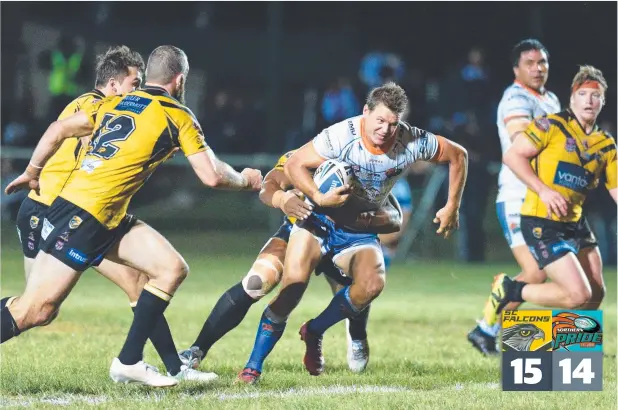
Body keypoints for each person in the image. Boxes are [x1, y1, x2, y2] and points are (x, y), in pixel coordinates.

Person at [2, 45, 263, 387]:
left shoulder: (113, 102)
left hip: (104, 214)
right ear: (180, 79)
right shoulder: (177, 114)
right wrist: (247, 180)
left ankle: (131, 361)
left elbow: (58, 128)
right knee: (35, 311)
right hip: (84, 215)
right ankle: (139, 362)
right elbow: (212, 175)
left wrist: (32, 171)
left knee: (170, 270)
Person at [236, 82, 468, 384]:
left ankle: (315, 330)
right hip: (319, 220)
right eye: (379, 121)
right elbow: (295, 164)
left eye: (393, 124)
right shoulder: (341, 135)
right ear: (365, 113)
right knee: (291, 290)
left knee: (372, 284)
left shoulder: (412, 140)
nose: (385, 129)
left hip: (359, 227)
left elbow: (458, 155)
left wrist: (452, 206)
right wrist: (318, 198)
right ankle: (253, 366)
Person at [178, 148, 403, 374]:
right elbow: (269, 185)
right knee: (256, 282)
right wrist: (282, 198)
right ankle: (197, 350)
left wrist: (370, 219)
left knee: (358, 291)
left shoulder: (360, 161)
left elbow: (394, 214)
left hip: (345, 237)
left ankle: (356, 337)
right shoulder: (304, 156)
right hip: (303, 228)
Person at [485, 65, 615, 322]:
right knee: (578, 294)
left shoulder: (606, 143)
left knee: (596, 292)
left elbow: (615, 187)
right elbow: (512, 156)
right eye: (583, 94)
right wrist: (543, 190)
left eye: (596, 95)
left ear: (603, 101)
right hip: (542, 222)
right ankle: (512, 289)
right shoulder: (550, 125)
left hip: (575, 223)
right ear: (572, 97)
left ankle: (574, 351)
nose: (589, 100)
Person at [467, 39, 561, 355]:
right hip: (519, 196)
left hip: (545, 198)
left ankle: (493, 333)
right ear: (516, 69)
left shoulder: (551, 99)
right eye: (530, 63)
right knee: (535, 272)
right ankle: (495, 330)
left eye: (542, 62)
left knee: (543, 272)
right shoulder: (515, 99)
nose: (538, 68)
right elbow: (522, 141)